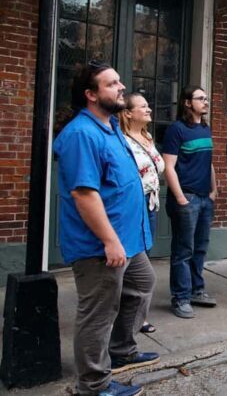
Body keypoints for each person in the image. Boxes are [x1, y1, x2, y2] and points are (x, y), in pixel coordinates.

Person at [54, 61, 158, 395]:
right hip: (100, 244)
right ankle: (94, 385)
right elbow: (84, 194)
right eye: (111, 84)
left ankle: (122, 351)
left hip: (128, 238)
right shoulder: (81, 134)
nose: (121, 87)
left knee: (142, 283)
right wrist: (109, 241)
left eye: (119, 81)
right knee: (98, 313)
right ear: (91, 94)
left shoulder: (111, 126)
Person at [163, 86, 218, 319]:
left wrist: (214, 189)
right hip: (187, 197)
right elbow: (169, 167)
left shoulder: (205, 128)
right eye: (200, 98)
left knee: (200, 248)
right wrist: (180, 198)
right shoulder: (177, 130)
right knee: (183, 250)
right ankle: (181, 297)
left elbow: (208, 162)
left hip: (205, 198)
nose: (205, 102)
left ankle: (197, 290)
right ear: (187, 103)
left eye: (206, 98)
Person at [119, 92, 164, 334]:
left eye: (148, 105)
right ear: (127, 113)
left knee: (143, 258)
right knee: (134, 263)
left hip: (151, 204)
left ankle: (137, 314)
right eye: (143, 106)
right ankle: (128, 316)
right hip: (134, 204)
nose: (149, 109)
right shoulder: (122, 140)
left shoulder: (147, 137)